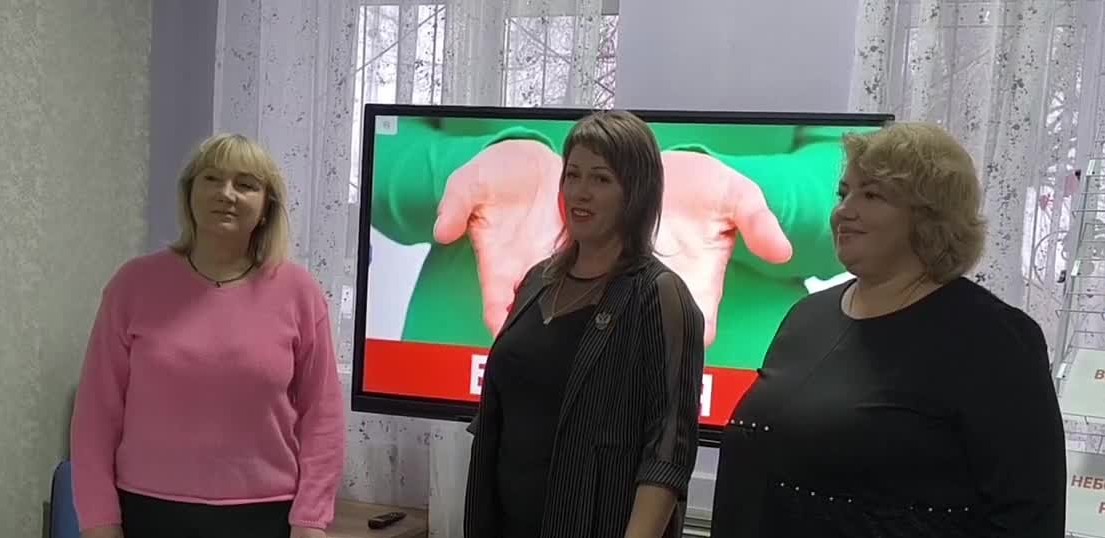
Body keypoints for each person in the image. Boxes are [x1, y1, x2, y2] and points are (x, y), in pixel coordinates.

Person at [685, 123, 1066, 538]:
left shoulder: (992, 339)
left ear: (931, 217)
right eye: (844, 192)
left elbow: (1028, 526)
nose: (845, 211)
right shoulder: (808, 318)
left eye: (873, 194)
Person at [71, 133, 345, 538]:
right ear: (189, 194)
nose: (227, 194)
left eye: (246, 184)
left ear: (266, 205)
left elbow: (322, 415)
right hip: (151, 513)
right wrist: (97, 516)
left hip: (258, 520)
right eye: (212, 179)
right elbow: (96, 411)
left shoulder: (298, 293)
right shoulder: (135, 284)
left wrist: (313, 512)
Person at [463, 110, 705, 538]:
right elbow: (503, 407)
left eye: (601, 178)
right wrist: (485, 521)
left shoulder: (660, 295)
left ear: (636, 191)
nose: (581, 192)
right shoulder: (537, 282)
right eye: (572, 175)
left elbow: (670, 446)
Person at [368, 115, 866, 368]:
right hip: (471, 360)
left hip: (724, 377)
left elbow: (857, 175)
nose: (585, 195)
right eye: (574, 176)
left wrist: (745, 197)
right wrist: (464, 176)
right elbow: (380, 147)